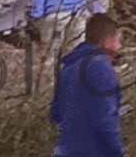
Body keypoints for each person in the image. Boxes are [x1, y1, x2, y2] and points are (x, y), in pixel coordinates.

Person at [50, 14, 124, 157]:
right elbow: (105, 120)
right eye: (119, 40)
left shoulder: (68, 67)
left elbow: (56, 113)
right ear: (108, 41)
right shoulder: (101, 66)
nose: (119, 47)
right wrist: (117, 152)